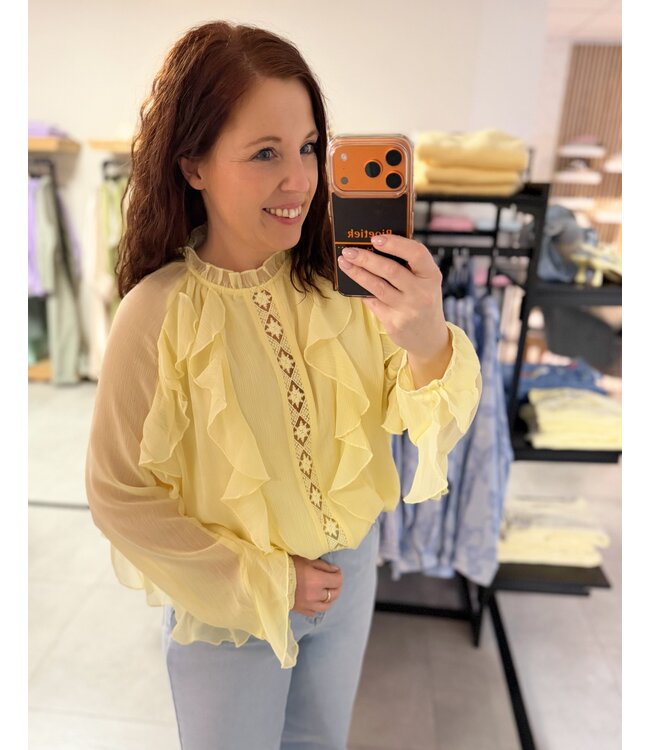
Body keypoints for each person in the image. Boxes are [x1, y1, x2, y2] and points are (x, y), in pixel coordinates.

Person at [85, 20, 482, 750]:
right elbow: (118, 494)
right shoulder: (156, 313)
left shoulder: (343, 286)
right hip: (232, 611)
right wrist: (266, 581)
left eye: (307, 148)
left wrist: (428, 337)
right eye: (265, 152)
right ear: (194, 166)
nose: (299, 179)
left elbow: (427, 416)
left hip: (351, 578)